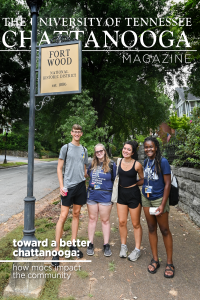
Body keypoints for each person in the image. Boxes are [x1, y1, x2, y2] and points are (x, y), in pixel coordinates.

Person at [52, 124, 88, 266]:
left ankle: (73, 245)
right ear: (71, 133)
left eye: (79, 131)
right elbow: (59, 168)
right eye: (75, 131)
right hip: (68, 187)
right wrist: (61, 186)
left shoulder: (84, 149)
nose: (77, 133)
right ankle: (56, 250)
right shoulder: (65, 148)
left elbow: (84, 169)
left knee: (76, 214)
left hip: (80, 186)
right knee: (63, 216)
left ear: (82, 133)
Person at [142, 136, 174, 278]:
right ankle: (155, 259)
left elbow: (167, 184)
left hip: (159, 199)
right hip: (146, 199)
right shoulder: (146, 161)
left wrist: (162, 204)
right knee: (151, 228)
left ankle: (169, 263)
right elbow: (145, 180)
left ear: (156, 147)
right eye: (146, 147)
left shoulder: (163, 161)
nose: (148, 149)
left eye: (151, 146)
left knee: (164, 229)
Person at [86, 144, 116, 257]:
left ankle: (106, 244)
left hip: (106, 195)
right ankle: (90, 243)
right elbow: (88, 175)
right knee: (92, 219)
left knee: (105, 220)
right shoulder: (92, 164)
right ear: (95, 153)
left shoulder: (112, 164)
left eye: (101, 151)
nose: (99, 153)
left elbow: (115, 180)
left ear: (104, 151)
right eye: (97, 151)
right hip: (92, 195)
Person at [117, 141, 144, 261]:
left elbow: (143, 179)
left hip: (133, 195)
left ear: (133, 152)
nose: (125, 151)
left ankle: (137, 249)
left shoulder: (137, 165)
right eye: (124, 148)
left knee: (136, 224)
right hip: (121, 195)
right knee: (122, 222)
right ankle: (123, 246)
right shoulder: (118, 162)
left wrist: (134, 184)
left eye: (128, 149)